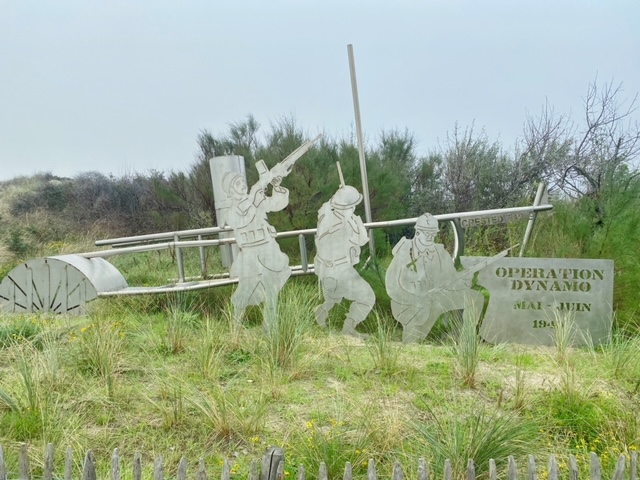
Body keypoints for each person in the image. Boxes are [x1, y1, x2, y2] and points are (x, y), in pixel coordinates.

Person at [385, 213, 484, 343]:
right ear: (418, 232)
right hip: (411, 304)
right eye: (427, 234)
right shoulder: (403, 252)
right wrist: (417, 299)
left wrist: (464, 279)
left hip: (438, 299)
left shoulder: (440, 252)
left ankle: (465, 341)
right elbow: (392, 287)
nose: (431, 238)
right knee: (412, 342)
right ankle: (410, 345)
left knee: (475, 298)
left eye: (433, 234)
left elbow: (451, 279)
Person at [223, 170, 291, 326]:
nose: (242, 185)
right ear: (231, 191)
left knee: (272, 289)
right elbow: (242, 220)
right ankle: (236, 327)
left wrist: (277, 188)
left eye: (242, 181)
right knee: (244, 292)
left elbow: (275, 204)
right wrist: (255, 196)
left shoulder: (255, 198)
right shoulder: (231, 212)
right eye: (237, 183)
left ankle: (270, 327)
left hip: (267, 250)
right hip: (250, 255)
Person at [314, 184, 375, 337]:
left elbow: (327, 205)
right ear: (350, 206)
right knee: (367, 297)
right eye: (354, 206)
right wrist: (355, 219)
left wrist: (340, 193)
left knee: (334, 297)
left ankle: (320, 313)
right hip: (340, 270)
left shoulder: (325, 214)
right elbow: (362, 240)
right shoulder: (345, 224)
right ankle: (348, 330)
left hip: (326, 270)